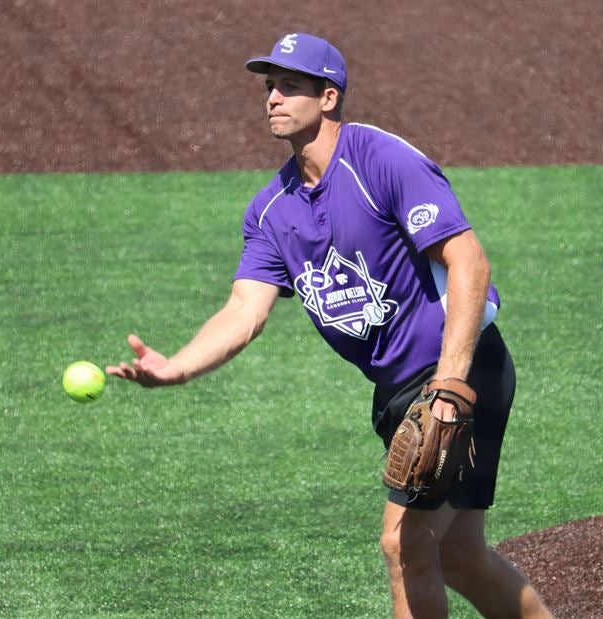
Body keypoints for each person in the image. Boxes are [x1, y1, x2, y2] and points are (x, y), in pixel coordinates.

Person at [107, 32, 553, 619]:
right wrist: (177, 368)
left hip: (461, 369)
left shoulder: (380, 159)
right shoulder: (272, 210)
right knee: (463, 555)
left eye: (289, 86)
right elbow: (246, 309)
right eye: (270, 87)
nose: (272, 98)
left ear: (328, 97)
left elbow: (468, 260)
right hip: (398, 391)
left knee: (405, 543)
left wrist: (449, 383)